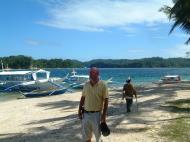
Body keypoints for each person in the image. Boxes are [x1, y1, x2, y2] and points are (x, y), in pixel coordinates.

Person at [78, 67, 109, 142]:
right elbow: (83, 98)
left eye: (92, 73)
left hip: (97, 115)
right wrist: (79, 110)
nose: (90, 75)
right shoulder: (86, 84)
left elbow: (106, 100)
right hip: (86, 114)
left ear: (98, 74)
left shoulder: (103, 85)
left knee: (98, 137)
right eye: (90, 73)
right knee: (87, 137)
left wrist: (104, 116)